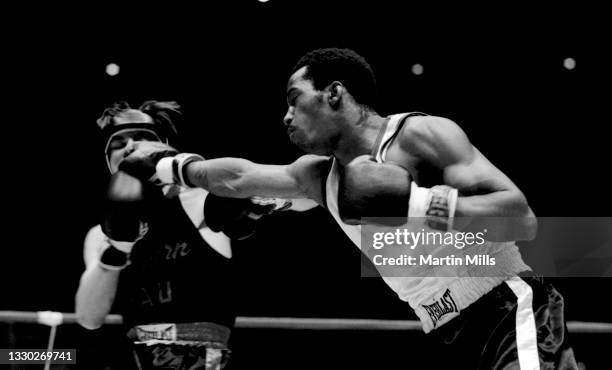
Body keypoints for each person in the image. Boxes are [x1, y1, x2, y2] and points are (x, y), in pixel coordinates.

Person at [121, 49, 580, 369]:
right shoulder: (317, 177)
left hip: (504, 307)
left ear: (334, 93)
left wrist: (417, 202)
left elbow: (521, 218)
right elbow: (238, 177)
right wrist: (169, 164)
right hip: (443, 329)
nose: (285, 116)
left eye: (293, 99)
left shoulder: (419, 135)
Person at [75, 100, 288, 370]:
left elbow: (285, 189)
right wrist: (117, 249)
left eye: (142, 137)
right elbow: (88, 318)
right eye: (118, 142)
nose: (130, 146)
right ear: (108, 160)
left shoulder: (199, 198)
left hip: (203, 359)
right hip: (136, 359)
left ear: (161, 146)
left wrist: (255, 201)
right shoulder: (100, 235)